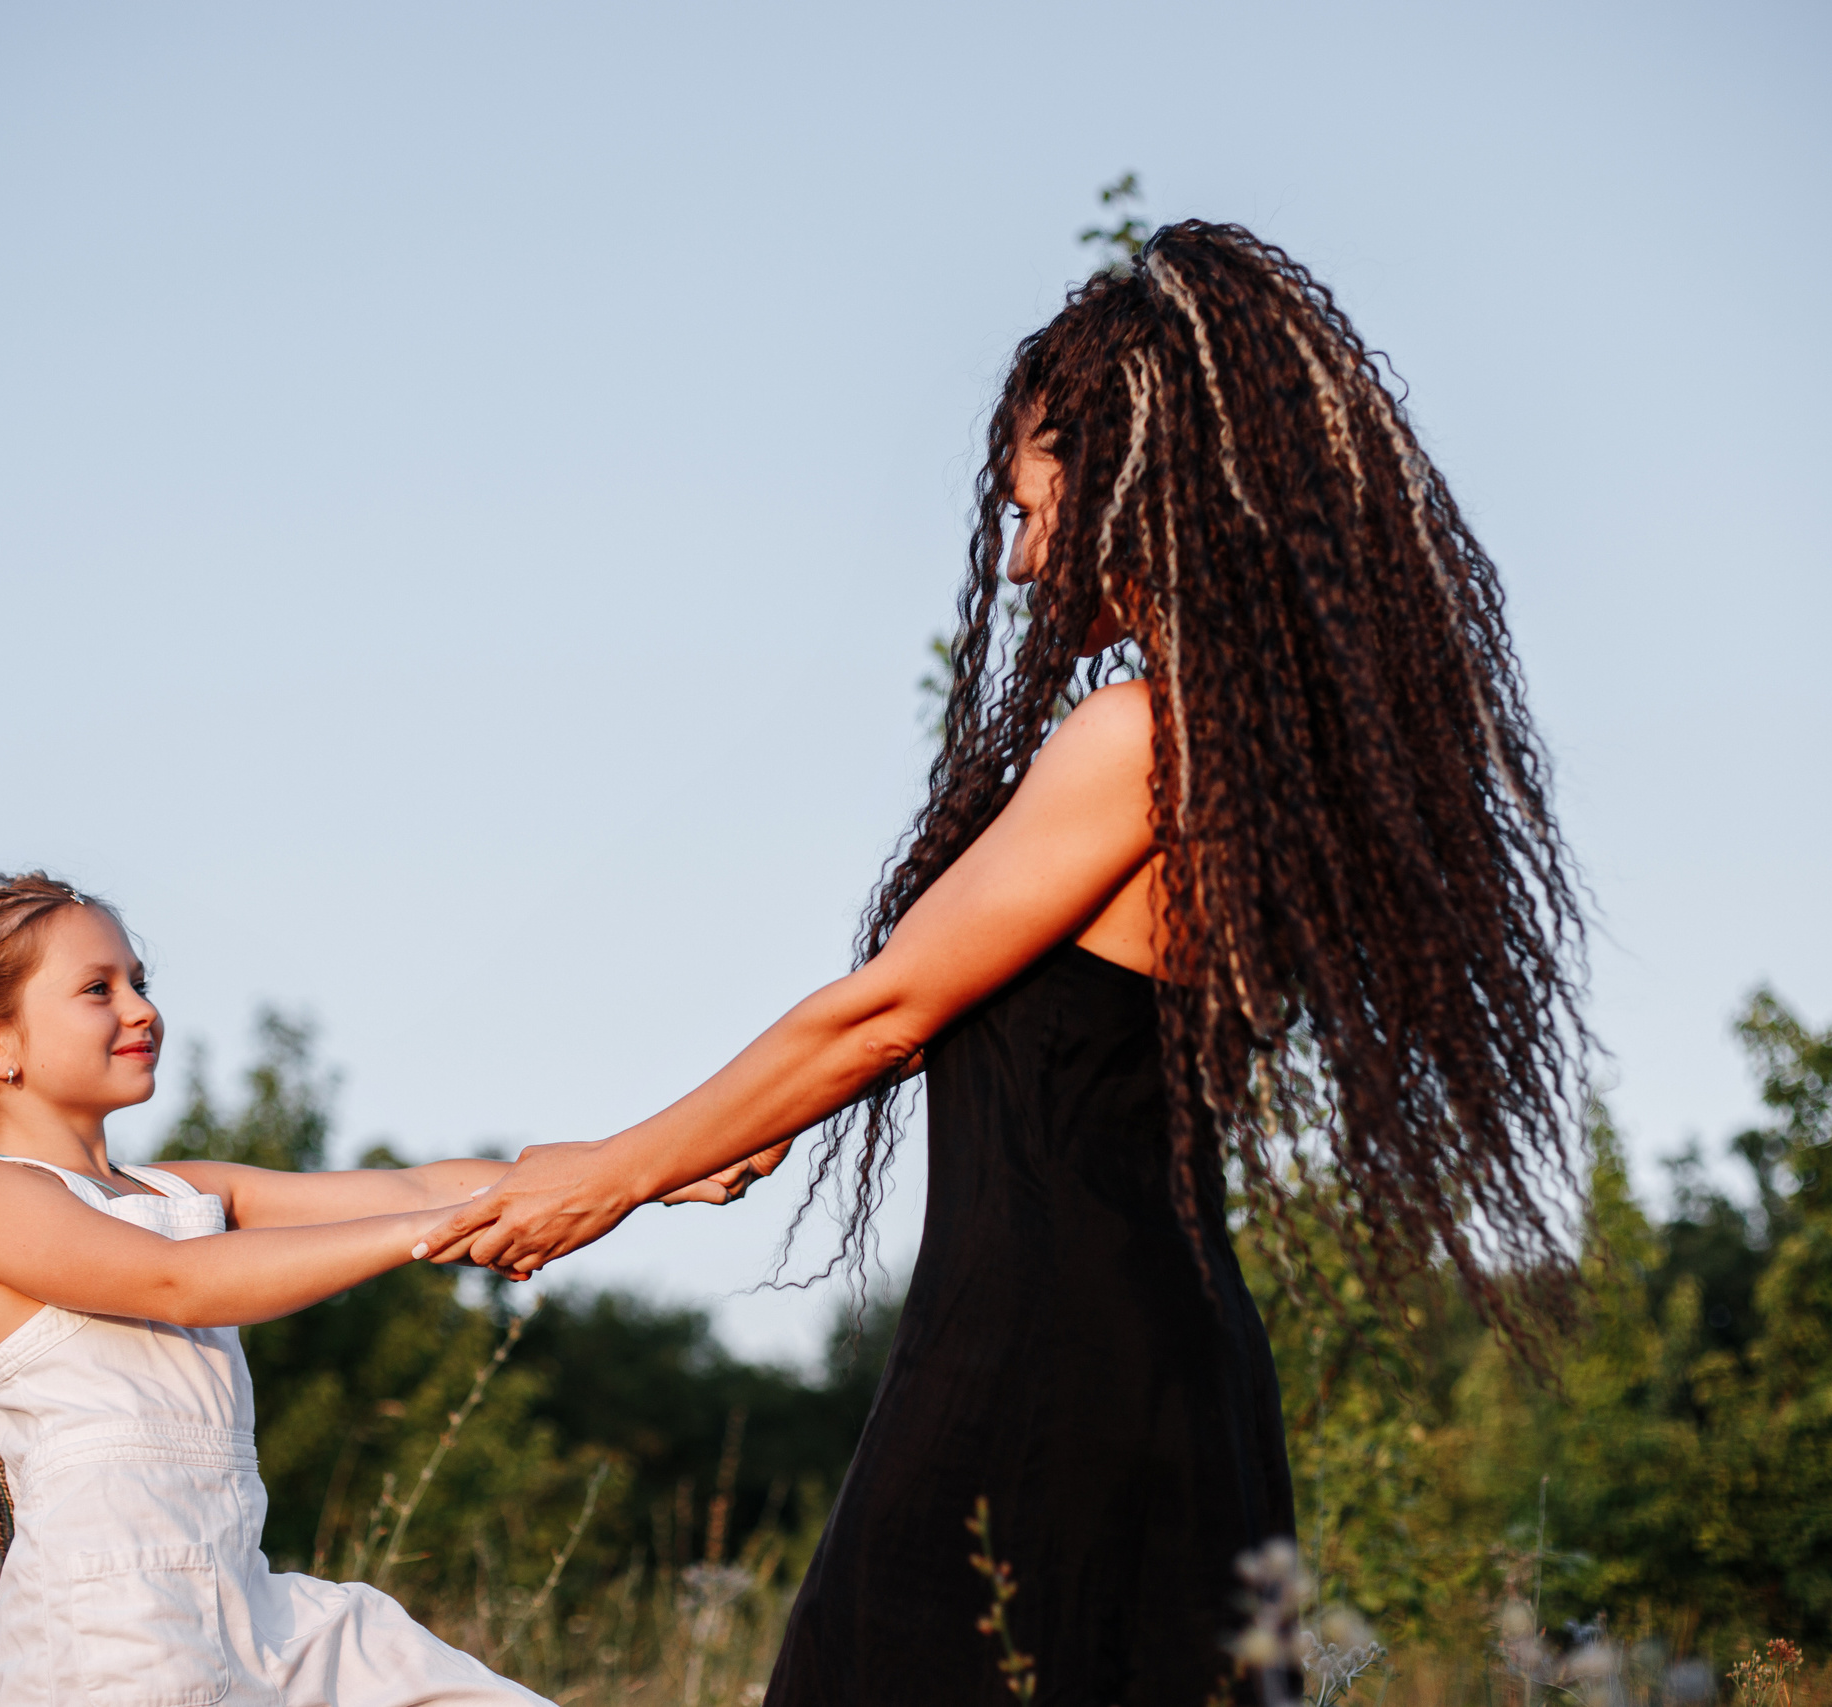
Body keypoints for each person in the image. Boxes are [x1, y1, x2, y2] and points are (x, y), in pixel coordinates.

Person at [421, 221, 1589, 1704]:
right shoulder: (1249, 765)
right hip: (1173, 1353)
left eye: (1036, 508)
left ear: (1138, 492)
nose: (1024, 556)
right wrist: (746, 1130)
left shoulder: (1138, 736)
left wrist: (614, 1172)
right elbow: (1004, 1030)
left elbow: (891, 1004)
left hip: (1047, 1343)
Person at [0, 873, 607, 1706]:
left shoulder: (177, 1194)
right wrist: (434, 1241)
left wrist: (636, 1174)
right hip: (112, 1630)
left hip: (258, 1610)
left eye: (140, 982)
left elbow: (417, 1189)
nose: (141, 1010)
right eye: (99, 988)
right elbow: (182, 1282)